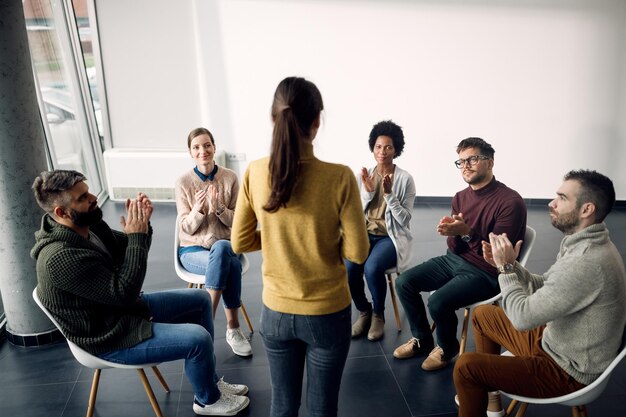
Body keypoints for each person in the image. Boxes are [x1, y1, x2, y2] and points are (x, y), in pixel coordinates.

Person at [31, 170, 249, 416]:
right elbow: (123, 290)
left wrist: (142, 228)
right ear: (61, 212)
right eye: (82, 198)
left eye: (88, 190)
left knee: (200, 300)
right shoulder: (60, 258)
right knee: (197, 339)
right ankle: (207, 400)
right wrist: (136, 236)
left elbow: (129, 250)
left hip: (122, 309)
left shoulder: (88, 226)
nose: (93, 197)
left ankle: (208, 383)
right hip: (108, 335)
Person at [231, 76, 369, 417]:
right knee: (322, 409)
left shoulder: (255, 171)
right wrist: (322, 239)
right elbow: (358, 252)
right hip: (327, 313)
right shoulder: (339, 177)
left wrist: (277, 238)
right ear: (317, 122)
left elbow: (240, 241)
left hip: (275, 312)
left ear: (272, 117)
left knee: (282, 405)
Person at [454, 169, 626, 417]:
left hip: (566, 371)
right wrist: (511, 267)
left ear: (586, 209)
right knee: (483, 315)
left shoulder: (586, 261)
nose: (551, 203)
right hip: (555, 342)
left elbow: (522, 319)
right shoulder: (584, 242)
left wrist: (505, 270)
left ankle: (480, 387)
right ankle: (490, 398)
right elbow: (548, 284)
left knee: (466, 367)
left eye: (562, 198)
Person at [393, 137, 527, 371]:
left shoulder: (510, 202)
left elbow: (496, 257)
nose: (465, 165)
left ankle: (446, 348)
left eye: (473, 159)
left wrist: (465, 232)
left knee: (437, 302)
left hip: (487, 273)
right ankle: (422, 339)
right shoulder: (460, 197)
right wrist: (453, 232)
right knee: (404, 282)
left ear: (490, 162)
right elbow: (455, 247)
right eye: (461, 161)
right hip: (455, 260)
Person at [175, 127, 252, 357]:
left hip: (225, 245)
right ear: (190, 152)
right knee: (230, 265)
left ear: (214, 147)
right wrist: (197, 210)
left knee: (222, 248)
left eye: (207, 145)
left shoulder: (230, 178)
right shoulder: (183, 182)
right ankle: (233, 328)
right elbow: (185, 228)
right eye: (196, 147)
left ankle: (205, 325)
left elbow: (239, 222)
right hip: (193, 250)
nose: (203, 151)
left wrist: (219, 209)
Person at [347, 120, 416, 341]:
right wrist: (367, 192)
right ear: (372, 148)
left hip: (390, 237)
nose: (382, 152)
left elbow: (404, 220)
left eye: (388, 147)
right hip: (365, 234)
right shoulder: (365, 175)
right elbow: (356, 211)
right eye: (378, 146)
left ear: (396, 150)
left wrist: (389, 195)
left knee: (372, 267)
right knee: (349, 266)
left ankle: (378, 314)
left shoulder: (405, 179)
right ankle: (364, 311)